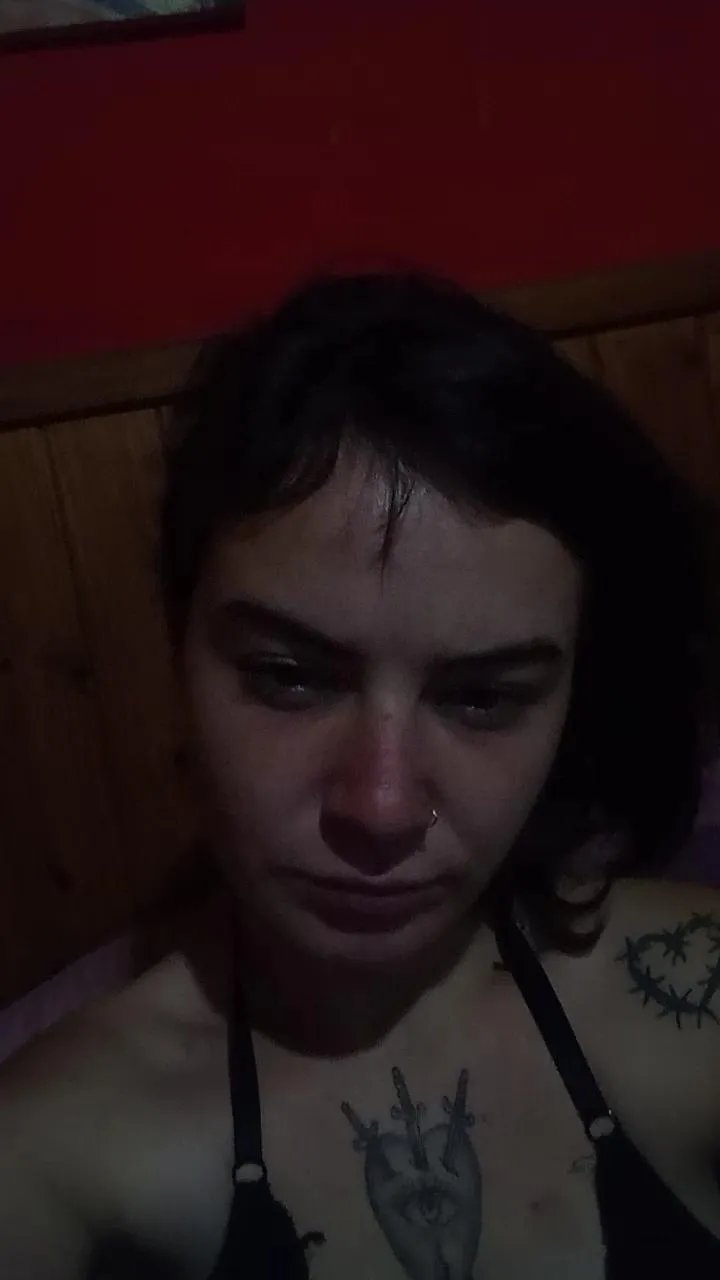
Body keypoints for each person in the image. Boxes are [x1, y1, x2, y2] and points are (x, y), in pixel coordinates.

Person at [2, 271, 720, 1280]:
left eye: (484, 697)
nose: (381, 807)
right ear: (179, 658)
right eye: (289, 677)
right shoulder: (50, 1156)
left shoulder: (690, 1002)